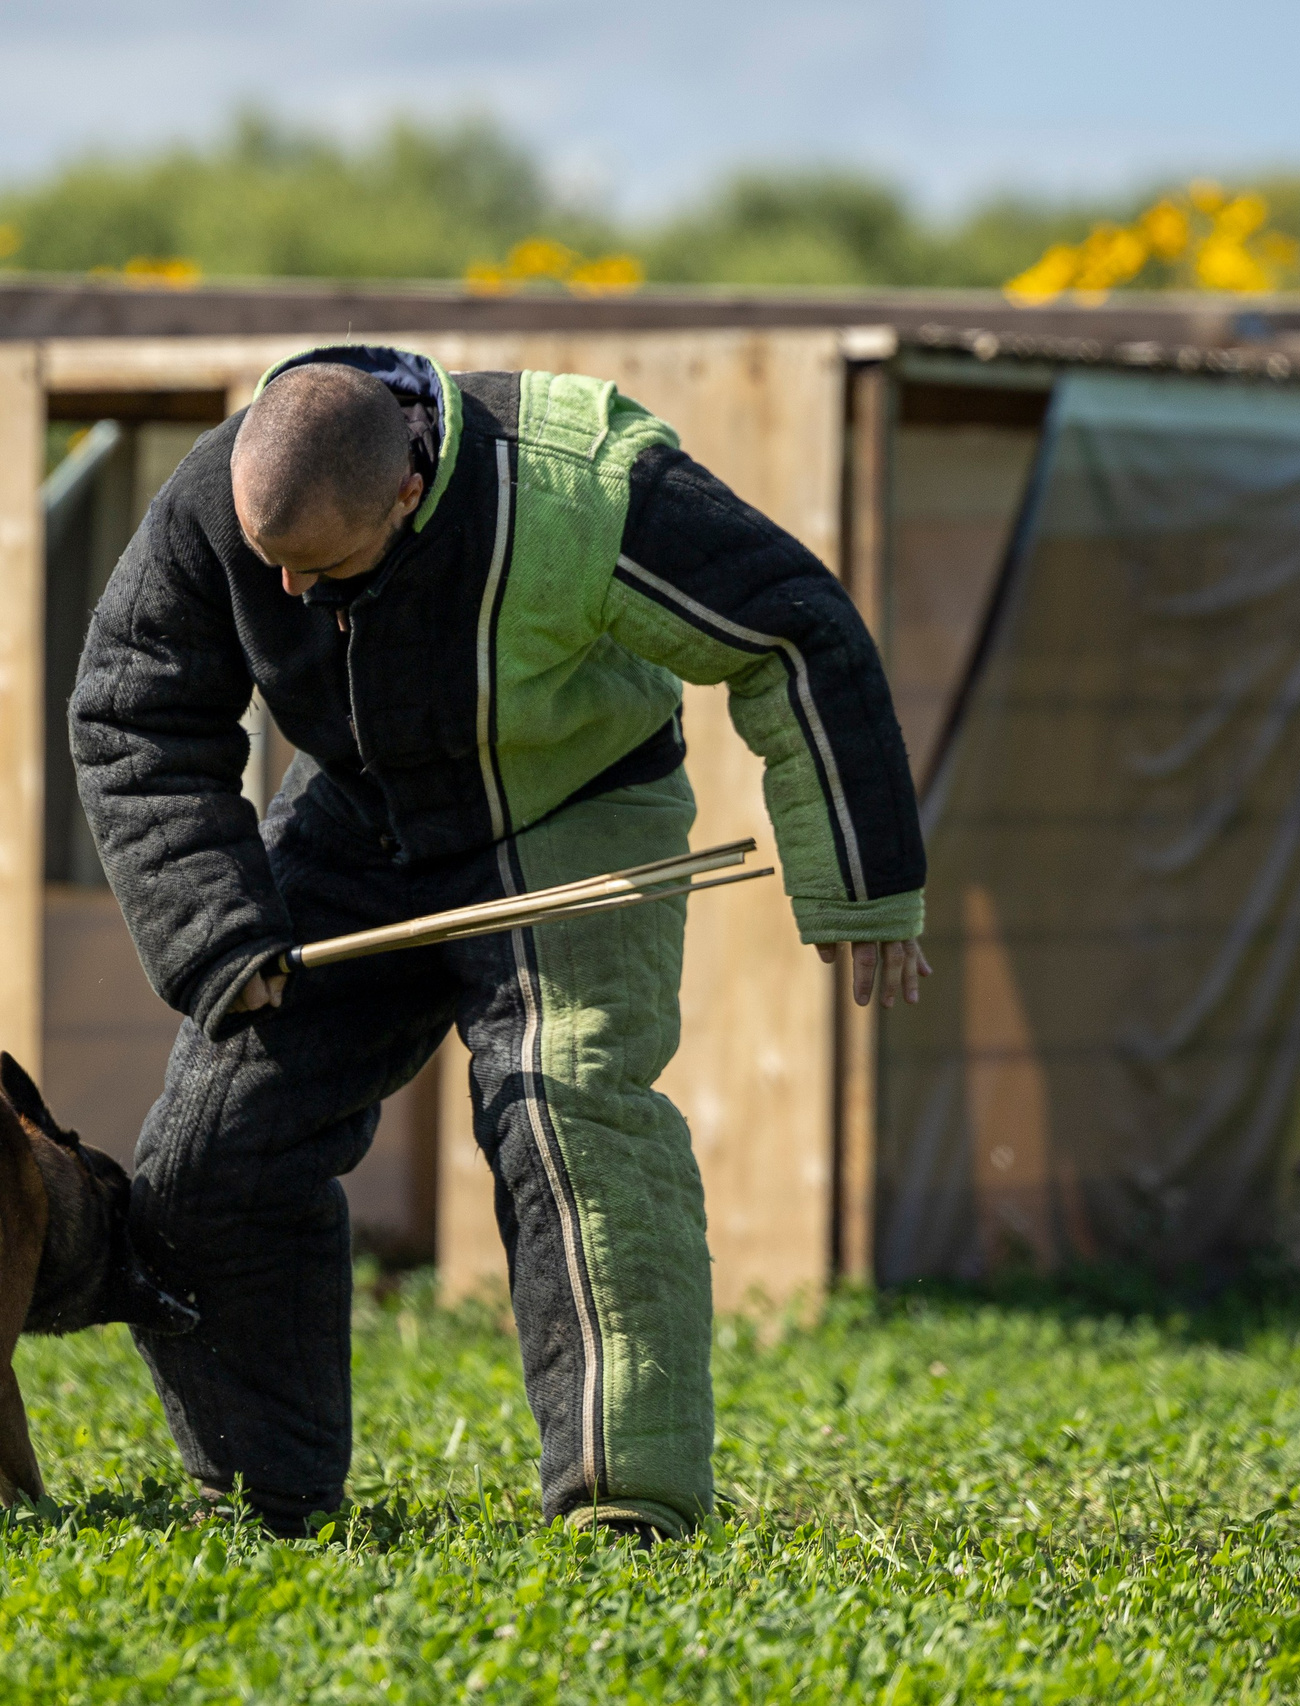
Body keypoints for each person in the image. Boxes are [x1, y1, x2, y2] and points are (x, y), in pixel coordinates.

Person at [69, 346, 930, 1541]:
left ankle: (625, 1503)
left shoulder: (579, 485)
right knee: (208, 1154)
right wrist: (216, 925)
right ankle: (265, 1496)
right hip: (357, 815)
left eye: (317, 566)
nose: (284, 585)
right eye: (269, 557)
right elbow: (131, 712)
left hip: (568, 809)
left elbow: (794, 632)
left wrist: (862, 883)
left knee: (566, 1108)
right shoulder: (225, 494)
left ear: (409, 486)